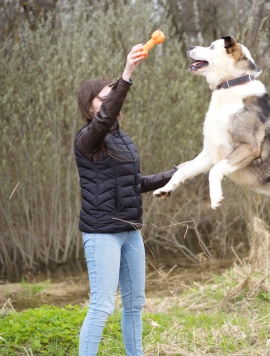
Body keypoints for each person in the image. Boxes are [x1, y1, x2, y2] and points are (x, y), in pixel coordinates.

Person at [75, 44, 179, 356]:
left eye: (112, 97)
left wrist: (175, 174)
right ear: (91, 108)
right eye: (104, 99)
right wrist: (127, 74)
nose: (111, 104)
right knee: (102, 306)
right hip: (101, 233)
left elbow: (134, 183)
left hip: (130, 230)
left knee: (134, 304)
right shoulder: (87, 139)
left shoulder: (122, 139)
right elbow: (105, 120)